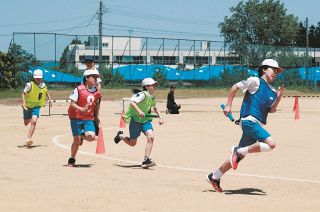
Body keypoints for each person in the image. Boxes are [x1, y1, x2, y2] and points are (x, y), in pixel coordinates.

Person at [206, 59, 285, 192]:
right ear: (264, 69)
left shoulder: (272, 90)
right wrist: (228, 105)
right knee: (271, 144)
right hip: (249, 121)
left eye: (277, 71)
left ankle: (214, 176)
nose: (275, 73)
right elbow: (235, 87)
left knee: (238, 157)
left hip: (256, 123)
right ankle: (238, 151)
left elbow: (271, 110)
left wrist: (279, 96)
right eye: (273, 69)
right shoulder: (255, 81)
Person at [114, 78, 164, 168]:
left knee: (151, 137)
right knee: (133, 143)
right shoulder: (142, 94)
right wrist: (139, 111)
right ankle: (120, 136)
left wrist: (160, 117)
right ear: (147, 86)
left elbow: (155, 107)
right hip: (136, 121)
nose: (155, 87)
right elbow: (132, 102)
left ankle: (146, 160)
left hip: (146, 121)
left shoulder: (151, 97)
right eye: (153, 85)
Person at [67, 68, 102, 167]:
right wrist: (81, 109)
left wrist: (97, 117)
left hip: (88, 117)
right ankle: (72, 158)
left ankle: (82, 135)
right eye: (94, 77)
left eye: (97, 77)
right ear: (87, 78)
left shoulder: (97, 92)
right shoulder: (79, 89)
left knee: (91, 137)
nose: (96, 79)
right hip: (75, 117)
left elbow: (96, 105)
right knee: (76, 140)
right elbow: (72, 103)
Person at [21, 69, 52, 146]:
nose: (38, 79)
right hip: (27, 106)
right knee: (26, 123)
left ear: (42, 77)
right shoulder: (29, 85)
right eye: (37, 77)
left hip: (37, 106)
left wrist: (50, 99)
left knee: (34, 121)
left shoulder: (43, 85)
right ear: (34, 77)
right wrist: (24, 103)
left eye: (40, 77)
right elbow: (23, 93)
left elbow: (46, 91)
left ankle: (29, 139)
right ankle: (30, 118)